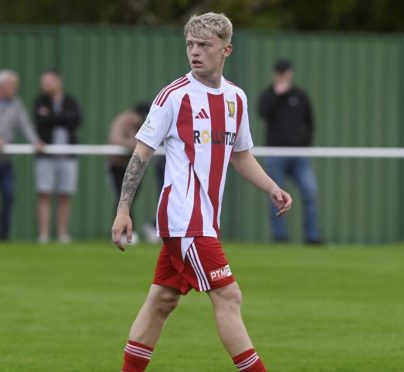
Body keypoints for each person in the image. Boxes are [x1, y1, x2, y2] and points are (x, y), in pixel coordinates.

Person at [111, 12, 292, 372]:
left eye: (204, 45)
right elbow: (141, 153)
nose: (194, 52)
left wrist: (272, 186)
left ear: (226, 49)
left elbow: (240, 155)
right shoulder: (173, 96)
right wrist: (122, 210)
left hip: (205, 220)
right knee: (229, 295)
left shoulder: (235, 99)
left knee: (162, 300)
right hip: (184, 218)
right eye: (190, 45)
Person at [0, 69, 44, 241]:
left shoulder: (16, 104)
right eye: (12, 85)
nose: (15, 89)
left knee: (8, 195)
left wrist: (35, 141)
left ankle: (3, 237)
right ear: (1, 86)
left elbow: (24, 124)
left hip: (4, 161)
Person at [258, 59, 322, 244]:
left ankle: (312, 236)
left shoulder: (300, 96)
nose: (282, 75)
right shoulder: (269, 95)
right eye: (279, 72)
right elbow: (262, 112)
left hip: (299, 155)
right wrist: (277, 96)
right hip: (275, 154)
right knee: (275, 194)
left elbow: (310, 123)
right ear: (275, 74)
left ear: (290, 73)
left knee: (310, 191)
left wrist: (306, 145)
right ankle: (280, 236)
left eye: (285, 72)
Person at [33, 69, 82, 244]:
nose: (45, 85)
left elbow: (76, 120)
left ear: (58, 81)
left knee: (65, 194)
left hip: (68, 155)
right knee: (44, 193)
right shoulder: (40, 101)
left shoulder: (70, 101)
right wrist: (62, 118)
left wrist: (52, 116)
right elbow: (41, 121)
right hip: (46, 154)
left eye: (48, 81)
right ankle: (44, 234)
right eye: (43, 82)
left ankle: (62, 233)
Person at [107, 102, 155, 244]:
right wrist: (140, 144)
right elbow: (115, 140)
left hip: (136, 165)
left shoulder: (147, 123)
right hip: (117, 165)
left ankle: (128, 231)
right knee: (120, 197)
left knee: (131, 198)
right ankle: (121, 232)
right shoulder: (122, 120)